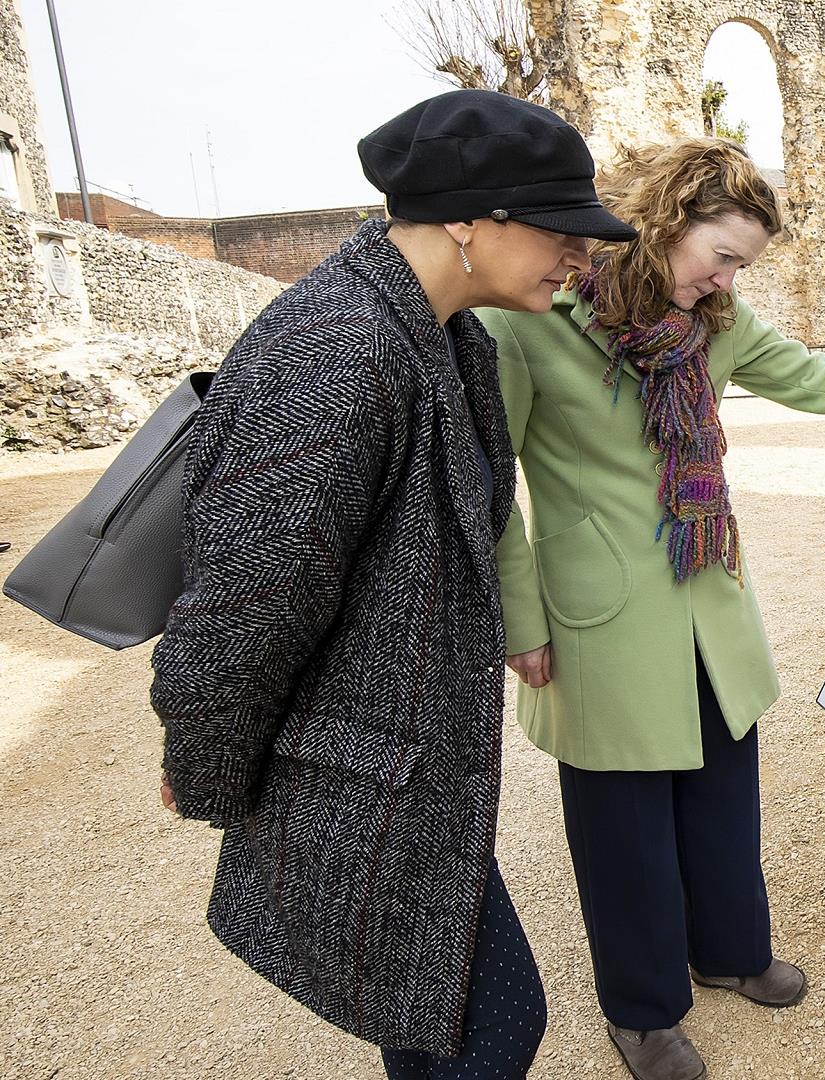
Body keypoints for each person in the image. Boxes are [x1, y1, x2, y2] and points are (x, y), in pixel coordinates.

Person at [149, 89, 636, 1079]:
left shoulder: (439, 333)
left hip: (401, 772)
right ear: (468, 218)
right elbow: (240, 607)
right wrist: (204, 763)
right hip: (359, 770)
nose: (583, 257)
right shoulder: (345, 345)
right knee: (491, 1026)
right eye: (561, 230)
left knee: (435, 1023)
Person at [477, 138, 825, 1080]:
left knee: (721, 792)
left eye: (741, 264)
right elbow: (487, 479)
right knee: (623, 826)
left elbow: (816, 377)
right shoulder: (534, 320)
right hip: (601, 614)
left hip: (709, 595)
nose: (728, 278)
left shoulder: (717, 321)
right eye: (722, 253)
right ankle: (642, 1009)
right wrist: (522, 620)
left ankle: (730, 952)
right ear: (664, 224)